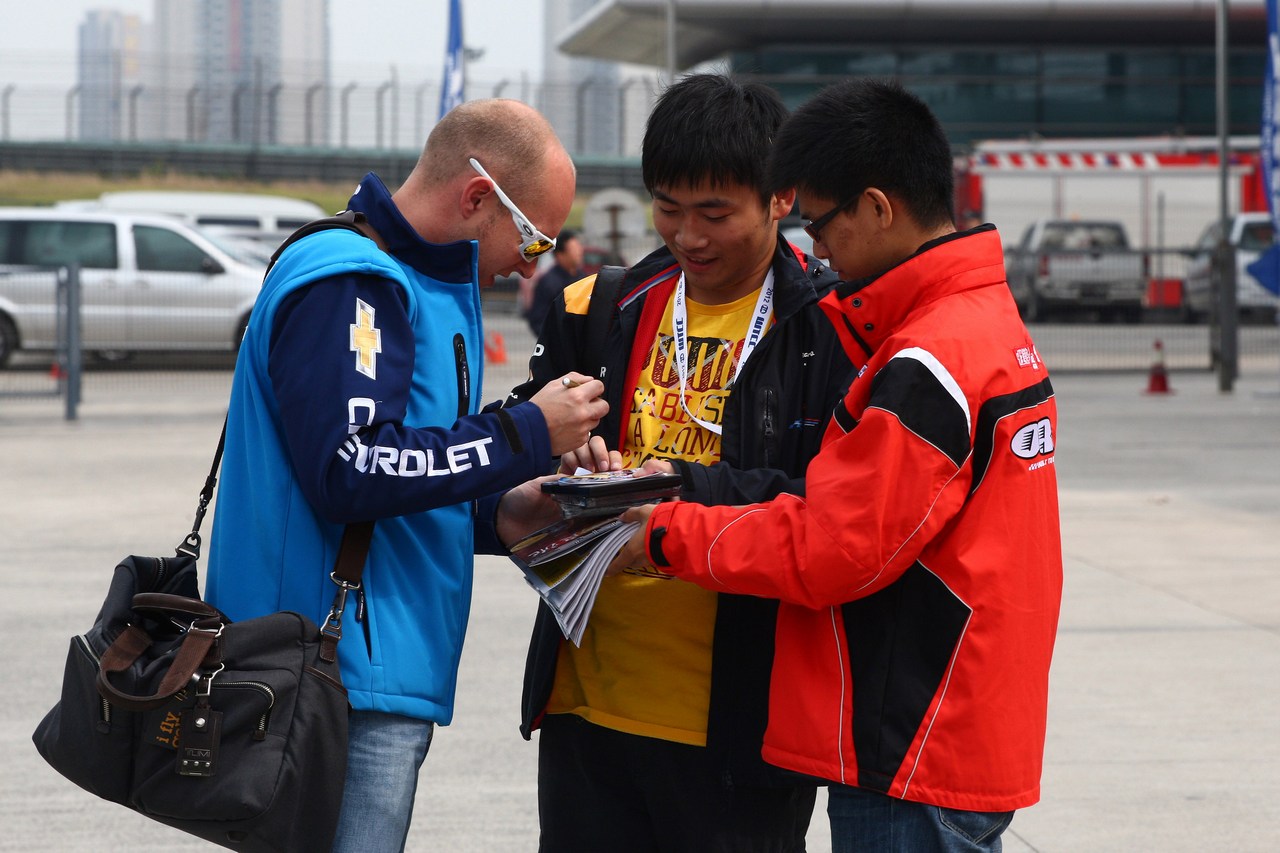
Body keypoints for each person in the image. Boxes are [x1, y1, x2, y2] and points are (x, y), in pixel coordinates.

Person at [610, 78, 1064, 852]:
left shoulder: (927, 360)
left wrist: (661, 534)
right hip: (957, 721)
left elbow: (833, 548)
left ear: (878, 208)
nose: (815, 250)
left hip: (910, 737)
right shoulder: (981, 322)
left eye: (820, 224)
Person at [204, 99, 609, 853]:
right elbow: (350, 468)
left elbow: (407, 468)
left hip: (361, 665)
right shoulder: (350, 282)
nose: (536, 262)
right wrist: (527, 430)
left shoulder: (415, 284)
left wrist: (503, 512)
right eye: (532, 236)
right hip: (329, 677)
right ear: (478, 196)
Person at [498, 73, 853, 852]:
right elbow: (514, 461)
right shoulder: (602, 306)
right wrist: (560, 463)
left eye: (715, 212)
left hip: (737, 728)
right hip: (585, 707)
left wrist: (670, 490)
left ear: (780, 198)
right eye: (669, 207)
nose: (688, 235)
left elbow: (829, 507)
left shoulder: (828, 327)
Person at [524, 228, 585, 336]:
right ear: (560, 255)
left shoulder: (584, 279)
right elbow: (538, 320)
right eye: (574, 249)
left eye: (579, 247)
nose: (580, 252)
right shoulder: (548, 282)